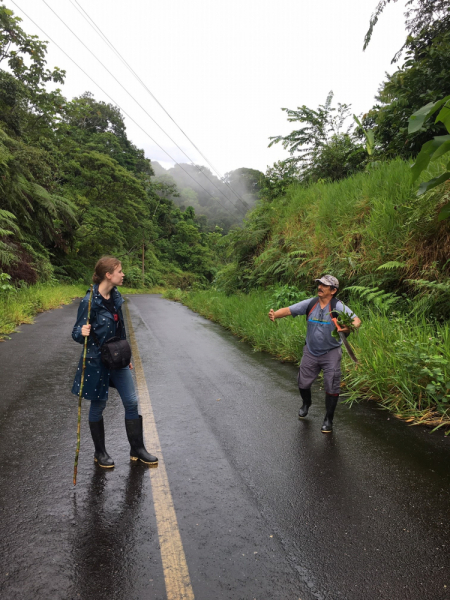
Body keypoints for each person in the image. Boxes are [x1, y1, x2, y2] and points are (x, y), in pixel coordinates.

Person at [71, 256, 158, 468]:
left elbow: (121, 330)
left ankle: (137, 449)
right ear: (108, 274)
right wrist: (80, 332)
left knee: (131, 401)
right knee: (98, 405)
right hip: (97, 361)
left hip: (117, 358)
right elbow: (75, 332)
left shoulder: (117, 297)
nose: (123, 274)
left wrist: (125, 355)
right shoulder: (89, 301)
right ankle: (100, 453)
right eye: (120, 271)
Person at [268, 275, 361, 433]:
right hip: (310, 351)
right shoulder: (311, 303)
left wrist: (346, 328)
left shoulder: (337, 306)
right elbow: (290, 310)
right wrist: (275, 314)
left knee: (332, 385)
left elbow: (356, 321)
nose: (320, 287)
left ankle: (328, 420)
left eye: (324, 285)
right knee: (302, 383)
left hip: (331, 352)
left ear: (333, 291)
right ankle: (306, 403)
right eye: (319, 284)